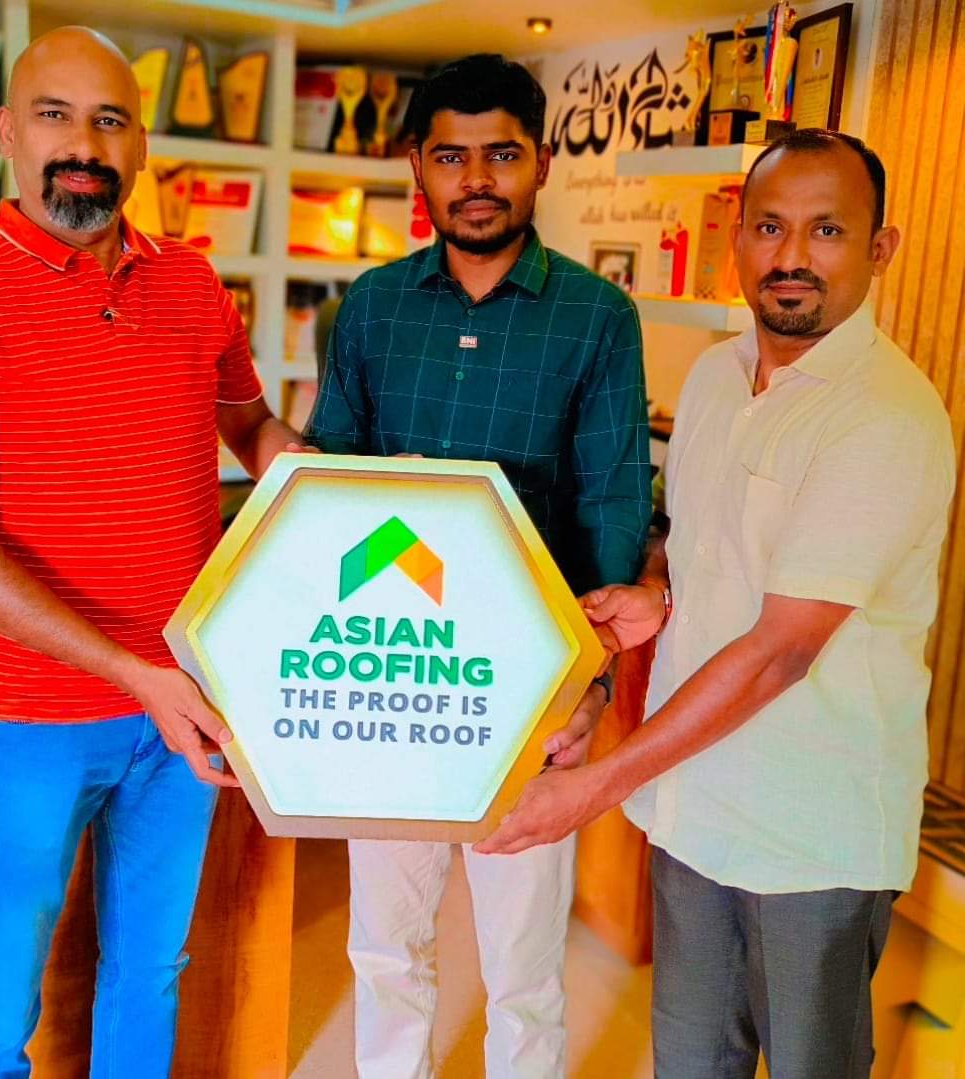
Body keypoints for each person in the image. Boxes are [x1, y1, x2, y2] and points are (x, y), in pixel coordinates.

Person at [476, 130, 957, 1078]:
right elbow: (698, 544)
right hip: (693, 810)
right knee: (692, 1062)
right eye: (770, 227)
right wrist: (658, 594)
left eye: (827, 230)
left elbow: (783, 649)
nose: (792, 255)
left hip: (813, 835)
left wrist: (593, 787)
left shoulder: (883, 417)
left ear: (880, 248)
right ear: (736, 238)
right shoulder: (712, 377)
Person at [0, 26, 305, 1078]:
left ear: (139, 146)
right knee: (0, 982)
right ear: (8, 131)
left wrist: (331, 481)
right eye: (56, 115)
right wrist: (136, 672)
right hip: (33, 713)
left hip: (182, 698)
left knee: (149, 965)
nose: (82, 144)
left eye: (109, 120)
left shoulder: (194, 282)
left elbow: (252, 428)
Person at [306, 53, 651, 1079]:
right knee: (385, 947)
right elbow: (330, 491)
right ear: (418, 165)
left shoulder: (597, 316)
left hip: (528, 689)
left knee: (524, 967)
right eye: (452, 157)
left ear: (541, 162)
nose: (477, 179)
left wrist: (590, 683)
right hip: (391, 679)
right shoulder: (373, 306)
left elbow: (612, 503)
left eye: (501, 154)